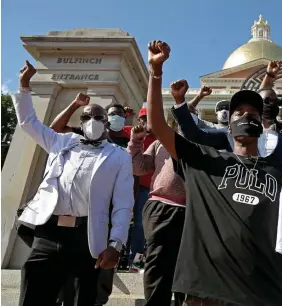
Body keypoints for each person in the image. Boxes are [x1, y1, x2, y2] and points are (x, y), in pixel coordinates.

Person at [147, 40, 282, 305]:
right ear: (228, 125)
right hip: (207, 292)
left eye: (253, 113)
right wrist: (155, 73)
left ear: (262, 124)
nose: (246, 117)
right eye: (239, 112)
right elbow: (157, 124)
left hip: (265, 293)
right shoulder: (205, 160)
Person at [15, 61, 134, 306]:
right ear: (81, 122)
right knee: (33, 293)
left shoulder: (119, 156)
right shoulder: (62, 142)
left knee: (81, 299)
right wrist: (25, 85)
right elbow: (29, 123)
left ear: (107, 122)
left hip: (87, 237)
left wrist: (116, 244)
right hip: (48, 233)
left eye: (98, 117)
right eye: (87, 117)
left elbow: (123, 203)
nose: (93, 121)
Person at [127, 111, 186, 306]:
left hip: (191, 210)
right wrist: (135, 142)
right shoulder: (159, 143)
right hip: (160, 207)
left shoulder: (198, 142)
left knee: (185, 264)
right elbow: (138, 168)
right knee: (157, 261)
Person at [123, 107, 157, 272]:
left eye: (149, 119)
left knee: (140, 225)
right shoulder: (131, 131)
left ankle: (135, 262)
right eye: (143, 119)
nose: (146, 122)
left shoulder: (159, 138)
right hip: (126, 186)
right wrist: (124, 115)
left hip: (146, 189)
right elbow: (112, 130)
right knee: (120, 221)